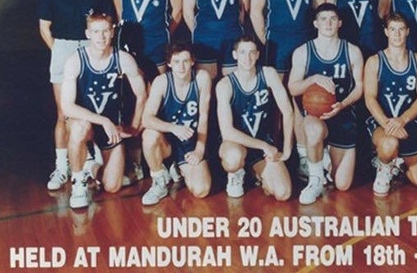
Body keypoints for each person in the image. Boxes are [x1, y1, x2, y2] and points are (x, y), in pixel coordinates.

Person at [249, 0, 325, 179]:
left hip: (304, 46)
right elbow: (255, 9)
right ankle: (277, 155)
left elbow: (321, 11)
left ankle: (305, 156)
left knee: (304, 103)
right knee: (277, 104)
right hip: (276, 45)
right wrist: (264, 40)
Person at [38, 0, 109, 191]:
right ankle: (61, 167)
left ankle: (89, 157)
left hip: (91, 47)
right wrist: (60, 52)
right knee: (63, 113)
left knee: (87, 109)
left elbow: (106, 23)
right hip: (63, 48)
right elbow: (45, 28)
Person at [61, 13, 147, 209]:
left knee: (113, 186)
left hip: (111, 128)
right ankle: (78, 183)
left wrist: (134, 127)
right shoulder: (75, 60)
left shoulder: (124, 60)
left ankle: (90, 165)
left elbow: (142, 95)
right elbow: (67, 106)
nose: (101, 37)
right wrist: (103, 121)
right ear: (87, 34)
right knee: (80, 128)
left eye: (105, 31)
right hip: (85, 123)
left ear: (112, 32)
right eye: (96, 32)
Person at [288, 3, 364, 204]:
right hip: (316, 116)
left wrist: (343, 104)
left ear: (339, 23)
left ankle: (327, 158)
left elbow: (359, 87)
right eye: (323, 19)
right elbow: (293, 88)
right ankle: (315, 179)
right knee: (312, 129)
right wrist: (313, 78)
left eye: (332, 19)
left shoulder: (352, 51)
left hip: (343, 115)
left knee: (343, 185)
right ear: (315, 23)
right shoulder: (303, 51)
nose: (328, 23)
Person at [216, 36, 294, 201]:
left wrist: (287, 150)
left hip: (261, 148)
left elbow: (287, 111)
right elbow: (227, 132)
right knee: (233, 158)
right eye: (243, 52)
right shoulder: (225, 85)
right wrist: (265, 145)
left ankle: (255, 172)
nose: (247, 58)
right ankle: (236, 173)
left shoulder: (268, 74)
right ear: (235, 55)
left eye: (252, 52)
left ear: (258, 55)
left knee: (283, 193)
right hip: (236, 144)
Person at [364, 13, 417, 197]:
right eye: (393, 29)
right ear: (386, 32)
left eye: (401, 29)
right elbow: (369, 98)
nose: (397, 34)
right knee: (388, 143)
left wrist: (402, 120)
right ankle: (384, 166)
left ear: (407, 32)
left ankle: (399, 163)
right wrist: (388, 124)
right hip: (382, 122)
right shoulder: (374, 61)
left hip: (407, 122)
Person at [140, 43, 212, 205]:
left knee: (201, 190)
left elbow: (204, 116)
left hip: (190, 144)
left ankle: (178, 168)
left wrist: (199, 150)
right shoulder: (162, 82)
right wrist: (173, 128)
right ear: (169, 63)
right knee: (149, 135)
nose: (181, 66)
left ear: (192, 62)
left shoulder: (202, 78)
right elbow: (146, 119)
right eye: (177, 62)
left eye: (185, 61)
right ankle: (159, 180)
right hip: (167, 143)